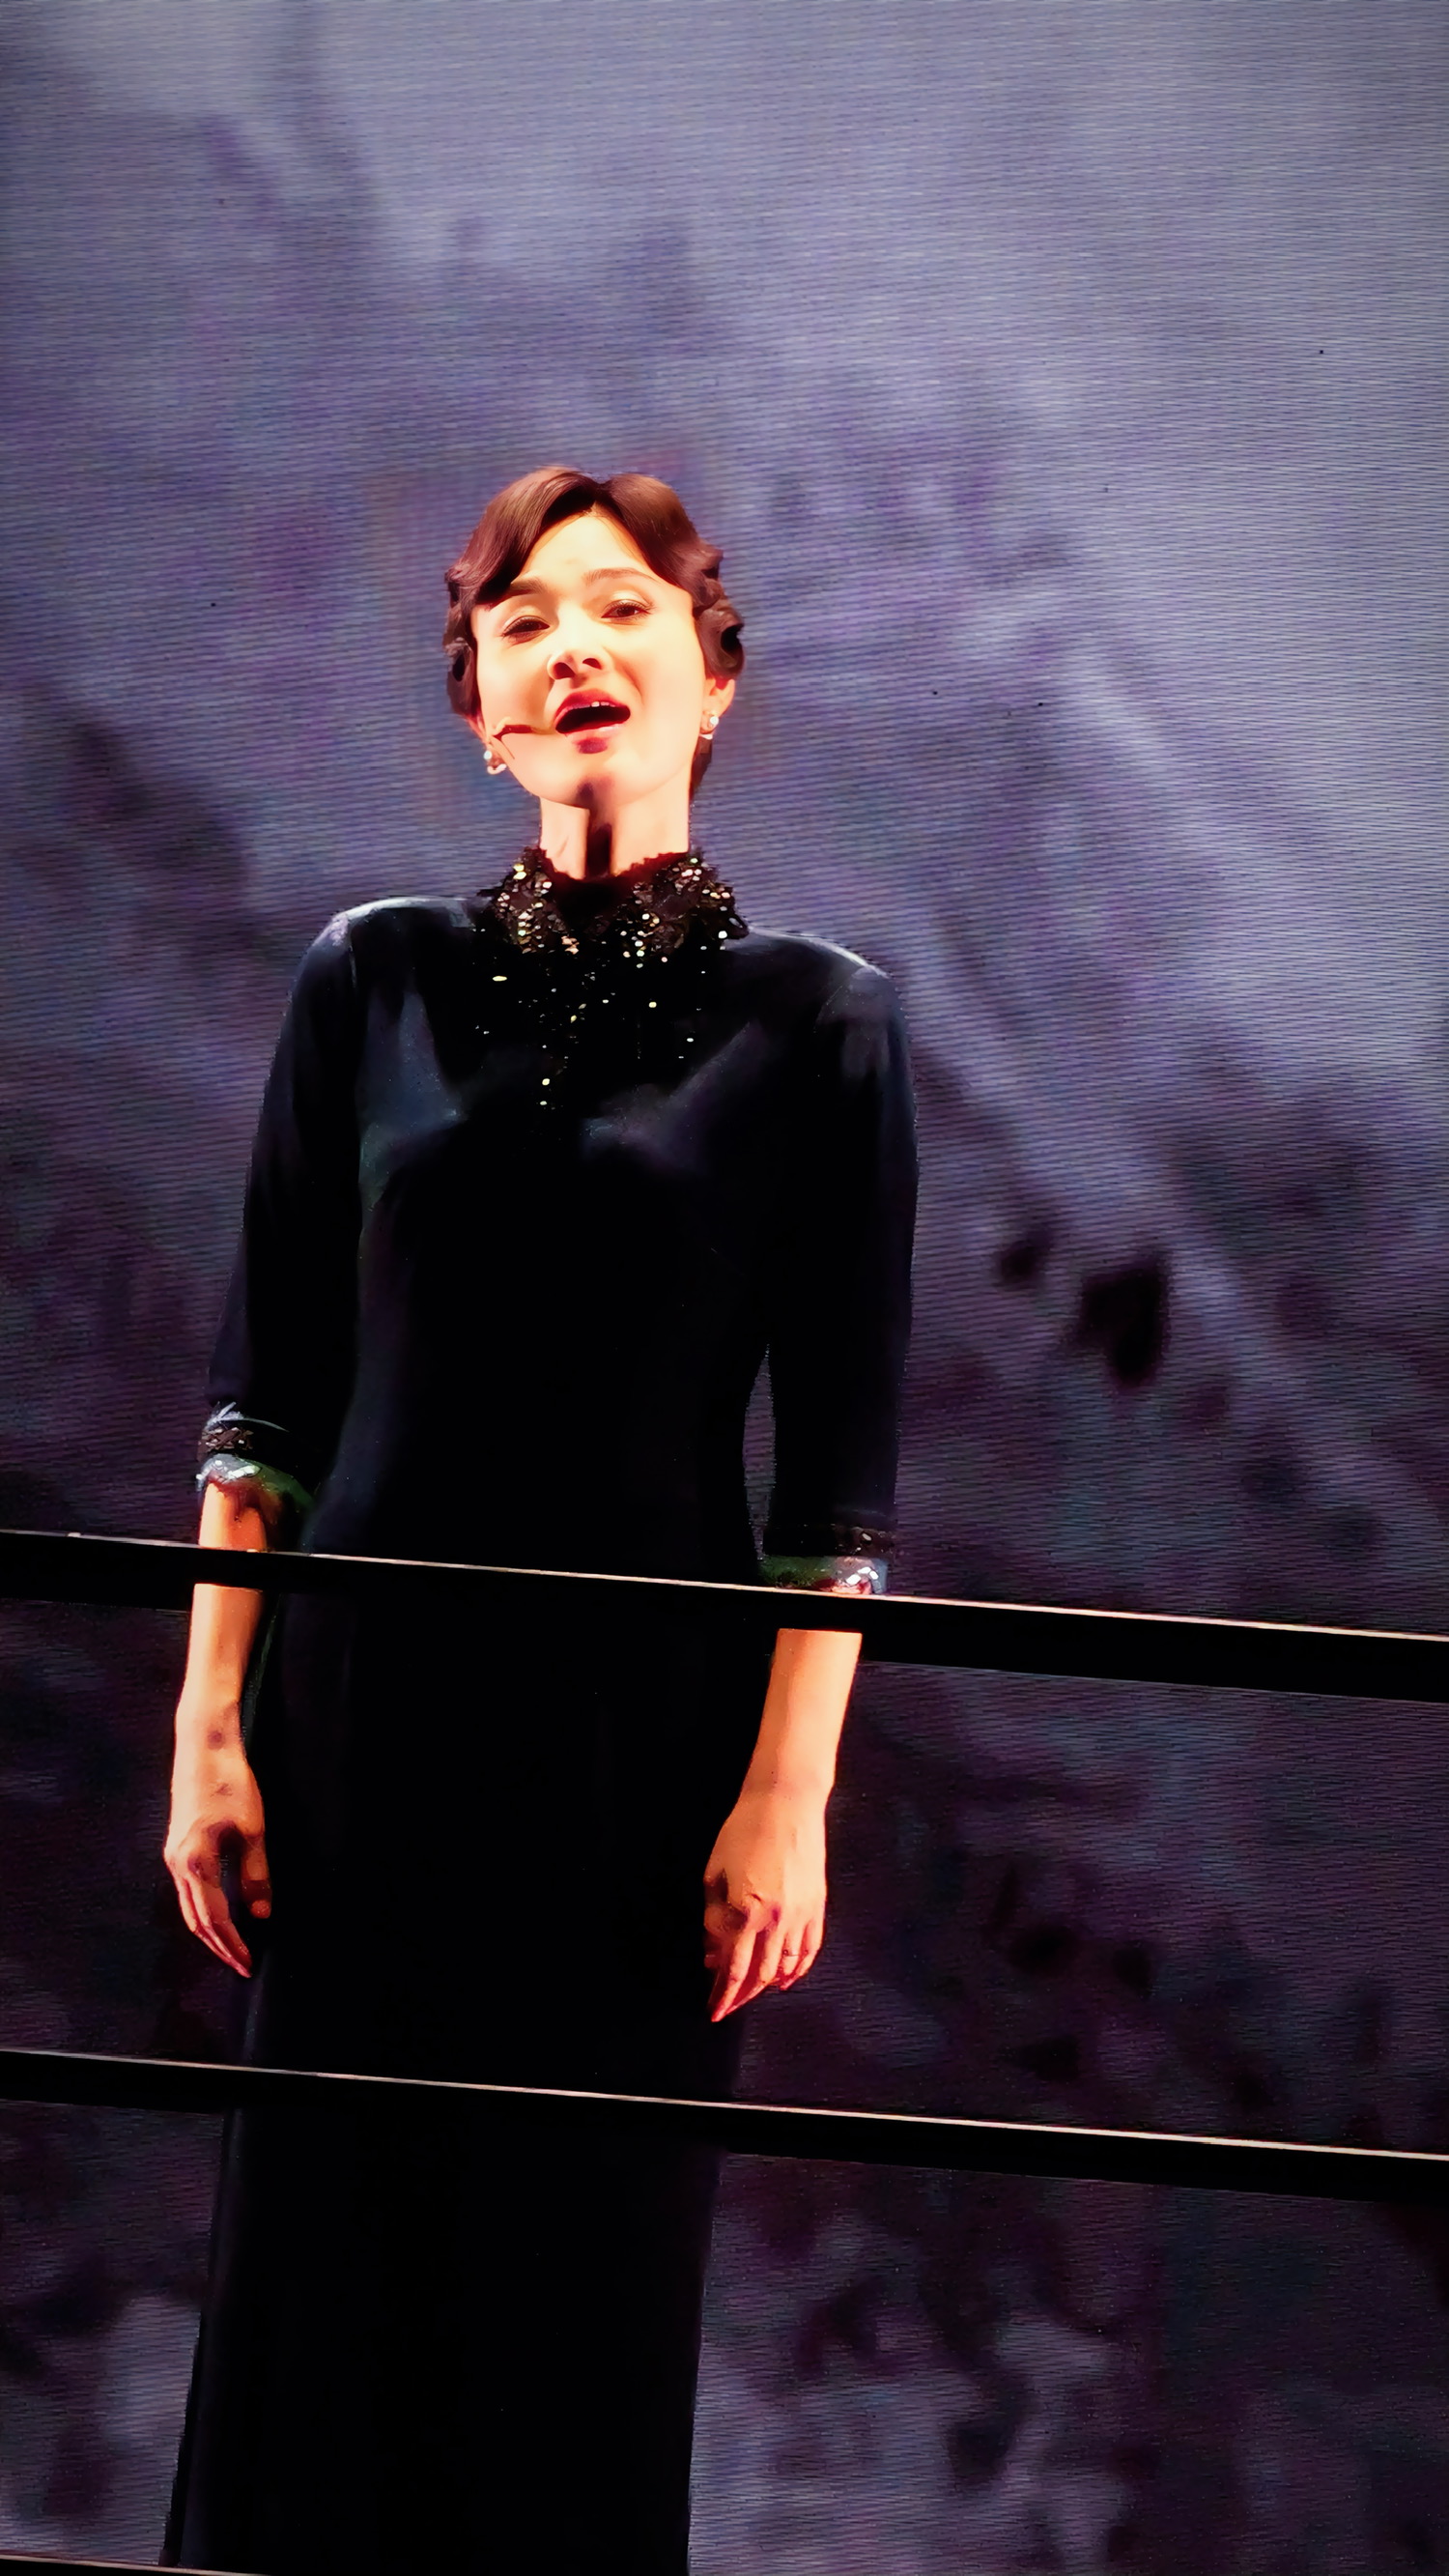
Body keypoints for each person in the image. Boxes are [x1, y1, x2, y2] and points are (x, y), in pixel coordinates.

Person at [159, 465, 918, 2574]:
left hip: (637, 1766)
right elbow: (263, 1403)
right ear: (482, 711)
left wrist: (787, 1797)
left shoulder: (821, 1025)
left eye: (624, 607)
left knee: (577, 2315)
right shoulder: (370, 979)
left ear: (712, 679)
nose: (575, 645)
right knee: (319, 2303)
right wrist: (210, 1725)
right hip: (357, 1733)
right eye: (524, 621)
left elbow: (837, 1485)